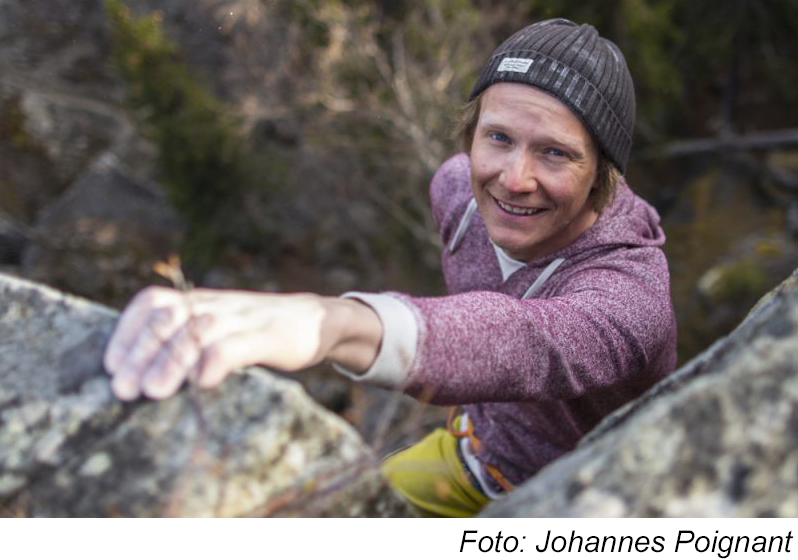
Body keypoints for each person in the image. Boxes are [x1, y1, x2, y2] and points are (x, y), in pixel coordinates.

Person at [103, 18, 677, 517]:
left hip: (589, 509)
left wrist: (334, 324)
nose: (514, 178)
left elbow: (526, 340)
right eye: (498, 137)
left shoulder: (630, 299)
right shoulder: (457, 192)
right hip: (475, 458)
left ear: (604, 172)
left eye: (555, 152)